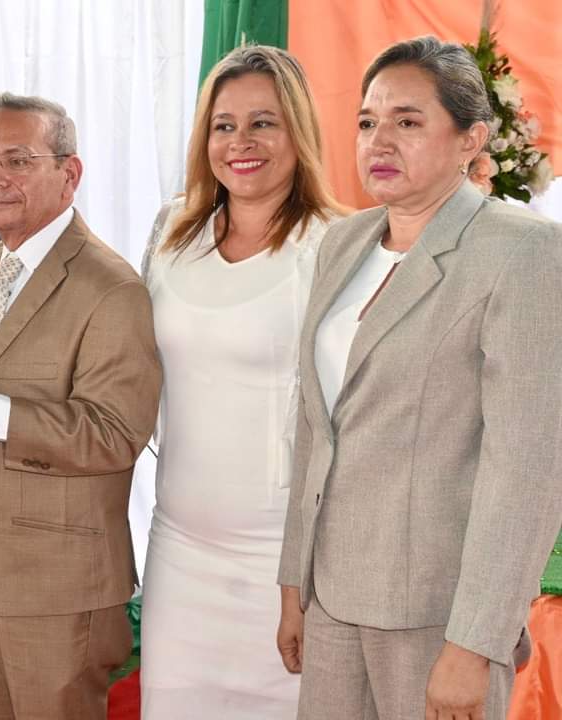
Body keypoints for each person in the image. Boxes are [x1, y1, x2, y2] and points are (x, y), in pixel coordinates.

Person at [277, 35, 562, 720]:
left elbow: (527, 469)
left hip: (440, 615)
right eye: (367, 121)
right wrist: (294, 581)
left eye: (407, 121)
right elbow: (316, 424)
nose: (379, 141)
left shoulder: (522, 252)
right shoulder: (343, 242)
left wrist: (475, 642)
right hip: (331, 598)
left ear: (471, 139)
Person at [0, 93, 161, 720]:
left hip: (57, 591)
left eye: (17, 160)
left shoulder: (112, 288)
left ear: (70, 174)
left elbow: (114, 435)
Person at [139, 46, 342, 718]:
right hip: (179, 547)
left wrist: (305, 581)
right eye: (224, 125)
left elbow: (350, 419)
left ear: (298, 131)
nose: (240, 143)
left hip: (284, 563)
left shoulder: (337, 245)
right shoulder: (172, 232)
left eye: (264, 123)